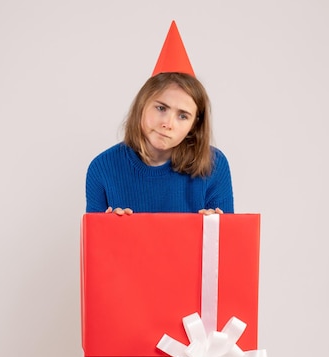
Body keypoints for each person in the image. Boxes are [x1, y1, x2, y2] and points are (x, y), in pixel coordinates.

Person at [85, 21, 233, 215]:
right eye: (161, 108)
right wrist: (110, 231)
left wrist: (216, 229)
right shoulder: (102, 167)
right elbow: (94, 245)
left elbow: (227, 245)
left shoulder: (214, 165)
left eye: (182, 116)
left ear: (194, 125)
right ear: (142, 106)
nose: (167, 124)